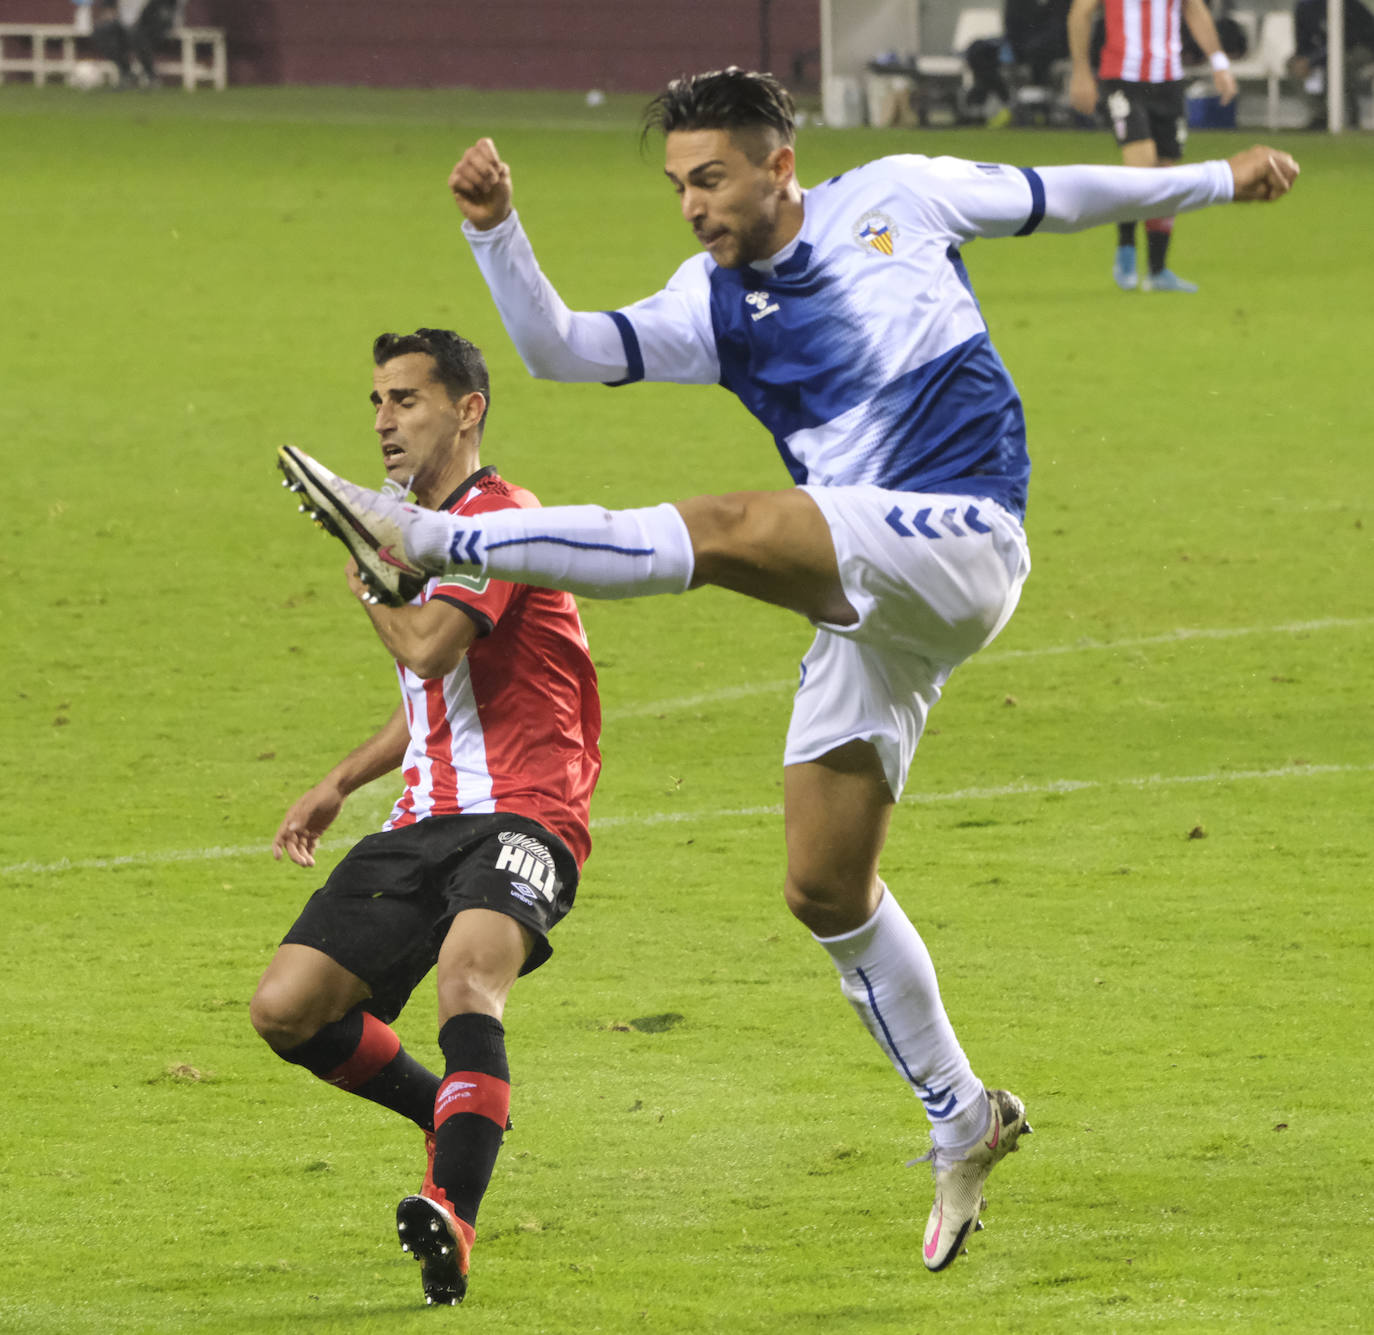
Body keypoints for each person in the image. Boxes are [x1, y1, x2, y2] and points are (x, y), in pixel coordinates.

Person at [277, 70, 1298, 1274]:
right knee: (823, 885)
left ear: (779, 163)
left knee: (725, 525)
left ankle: (426, 538)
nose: (693, 206)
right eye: (676, 186)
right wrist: (495, 233)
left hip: (959, 529)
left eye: (710, 178)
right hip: (872, 598)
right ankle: (962, 1116)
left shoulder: (897, 200)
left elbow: (1056, 192)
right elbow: (558, 347)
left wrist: (1216, 179)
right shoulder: (708, 307)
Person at [254, 328, 601, 1307]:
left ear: (468, 409)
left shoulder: (502, 521)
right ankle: (448, 1113)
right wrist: (339, 779)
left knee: (466, 979)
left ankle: (451, 1208)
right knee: (286, 1010)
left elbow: (429, 650)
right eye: (375, 402)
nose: (384, 421)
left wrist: (366, 565)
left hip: (531, 812)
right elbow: (432, 703)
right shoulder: (404, 525)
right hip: (424, 817)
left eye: (406, 399)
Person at [1068, 0, 1240, 292]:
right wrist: (1081, 70)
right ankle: (1126, 247)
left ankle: (1158, 270)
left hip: (1169, 80)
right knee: (1141, 166)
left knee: (1165, 173)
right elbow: (1080, 12)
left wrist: (1219, 63)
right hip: (1122, 78)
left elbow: (1194, 8)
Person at [965, 0, 1071, 126]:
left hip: (1052, 48)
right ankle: (1008, 102)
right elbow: (1011, 25)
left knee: (1038, 49)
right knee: (977, 50)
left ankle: (1040, 109)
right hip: (1019, 45)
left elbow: (1061, 28)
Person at [1289, 0, 1374, 129]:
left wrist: (1313, 60)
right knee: (1294, 65)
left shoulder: (1349, 4)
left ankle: (1349, 116)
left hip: (1360, 49)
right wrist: (1304, 60)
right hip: (1324, 53)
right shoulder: (1305, 6)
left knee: (1340, 66)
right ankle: (1320, 115)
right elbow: (1303, 41)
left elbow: (1348, 40)